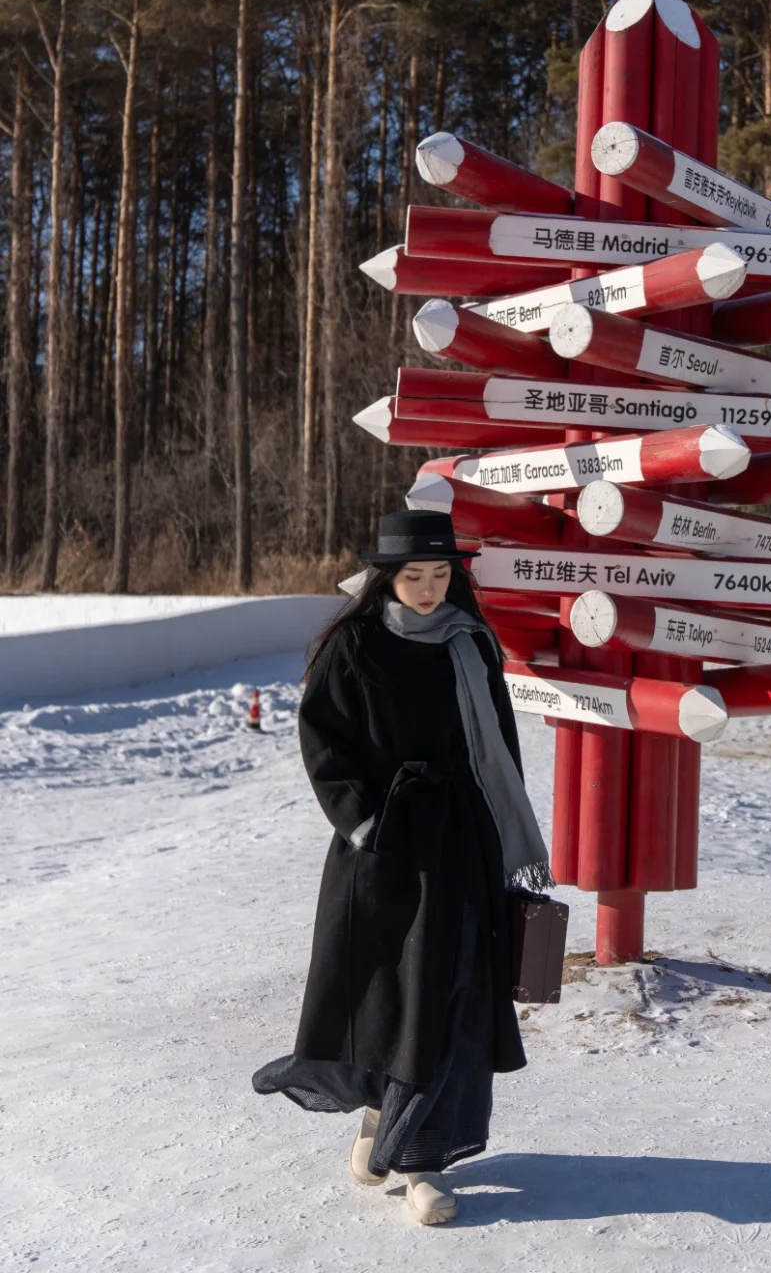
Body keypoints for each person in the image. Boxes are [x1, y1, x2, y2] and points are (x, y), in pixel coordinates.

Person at [252, 509, 552, 1226]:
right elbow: (323, 741)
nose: (427, 589)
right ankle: (385, 1114)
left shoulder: (470, 642)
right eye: (413, 575)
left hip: (463, 845)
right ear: (386, 575)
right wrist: (366, 822)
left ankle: (419, 1163)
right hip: (383, 853)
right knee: (393, 999)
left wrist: (505, 841)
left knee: (451, 997)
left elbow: (498, 751)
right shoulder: (354, 645)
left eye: (440, 574)